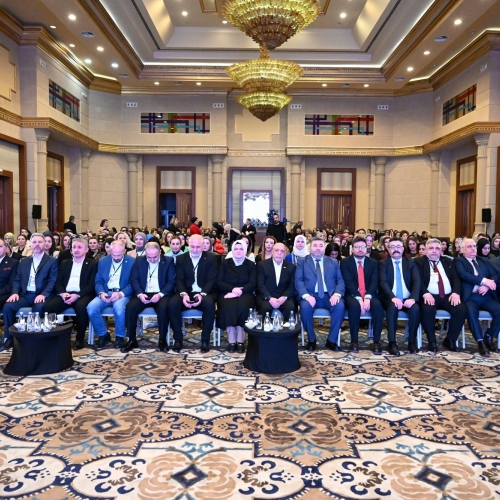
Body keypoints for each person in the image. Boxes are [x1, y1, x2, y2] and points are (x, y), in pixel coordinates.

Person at [1, 233, 58, 350]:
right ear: (30, 244)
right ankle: (9, 338)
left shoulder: (52, 261)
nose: (37, 244)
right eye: (34, 242)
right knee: (8, 307)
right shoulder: (23, 261)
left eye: (40, 242)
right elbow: (17, 280)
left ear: (44, 244)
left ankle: (36, 340)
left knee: (38, 309)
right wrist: (15, 293)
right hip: (26, 295)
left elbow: (52, 281)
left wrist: (43, 294)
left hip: (41, 295)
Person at [42, 237, 98, 349]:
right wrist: (62, 293)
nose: (76, 250)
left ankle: (79, 339)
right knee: (48, 307)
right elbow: (58, 282)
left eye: (79, 247)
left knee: (81, 308)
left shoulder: (92, 264)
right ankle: (52, 336)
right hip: (66, 294)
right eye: (74, 247)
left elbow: (91, 285)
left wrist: (77, 295)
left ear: (86, 250)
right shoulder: (65, 263)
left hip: (82, 294)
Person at [414, 238, 467, 353]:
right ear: (426, 250)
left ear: (441, 250)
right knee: (427, 310)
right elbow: (418, 280)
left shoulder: (448, 261)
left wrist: (456, 292)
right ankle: (432, 341)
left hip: (448, 296)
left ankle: (450, 340)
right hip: (429, 296)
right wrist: (425, 293)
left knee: (461, 309)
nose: (434, 251)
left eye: (437, 248)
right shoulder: (419, 262)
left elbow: (456, 279)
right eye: (431, 248)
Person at [167, 234, 218, 353]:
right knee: (173, 304)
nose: (195, 250)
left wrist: (202, 294)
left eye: (198, 247)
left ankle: (205, 340)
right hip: (186, 291)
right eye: (192, 246)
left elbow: (211, 280)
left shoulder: (211, 258)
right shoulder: (181, 259)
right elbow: (179, 280)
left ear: (203, 246)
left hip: (204, 292)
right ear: (188, 245)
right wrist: (184, 294)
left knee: (209, 304)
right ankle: (178, 338)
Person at [122, 242, 176, 352]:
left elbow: (171, 282)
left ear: (160, 252)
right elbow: (134, 280)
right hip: (143, 293)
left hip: (161, 294)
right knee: (130, 307)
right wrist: (140, 294)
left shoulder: (168, 261)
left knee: (163, 309)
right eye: (149, 257)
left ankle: (162, 340)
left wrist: (160, 294)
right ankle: (131, 339)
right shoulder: (139, 260)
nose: (152, 260)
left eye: (154, 257)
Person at [295, 236, 345, 352]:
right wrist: (306, 296)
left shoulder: (333, 262)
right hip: (310, 295)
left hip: (329, 296)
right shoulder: (302, 261)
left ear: (324, 248)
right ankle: (311, 340)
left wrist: (337, 294)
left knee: (339, 306)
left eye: (321, 246)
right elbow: (298, 281)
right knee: (305, 308)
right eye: (315, 245)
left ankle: (332, 340)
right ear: (310, 247)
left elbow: (340, 281)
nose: (318, 248)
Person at [454, 238, 500, 355]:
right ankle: (480, 341)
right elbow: (464, 275)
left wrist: (487, 286)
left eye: (474, 246)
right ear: (462, 250)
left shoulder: (483, 260)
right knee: (471, 312)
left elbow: (494, 275)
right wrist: (484, 281)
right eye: (469, 246)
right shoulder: (459, 261)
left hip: (486, 296)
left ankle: (489, 336)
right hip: (471, 297)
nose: (473, 249)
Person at [87, 241, 135, 349]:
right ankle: (103, 335)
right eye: (113, 255)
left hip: (122, 293)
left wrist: (120, 294)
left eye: (119, 255)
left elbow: (133, 283)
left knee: (119, 308)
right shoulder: (103, 261)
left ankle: (120, 337)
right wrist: (101, 293)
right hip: (106, 292)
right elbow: (98, 281)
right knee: (91, 307)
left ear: (124, 251)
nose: (116, 258)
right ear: (110, 251)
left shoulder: (132, 262)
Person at [340, 236, 384, 354]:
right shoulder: (345, 262)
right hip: (352, 294)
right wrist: (359, 298)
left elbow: (374, 281)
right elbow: (348, 282)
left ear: (367, 248)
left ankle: (376, 342)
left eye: (363, 247)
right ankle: (354, 341)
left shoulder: (373, 263)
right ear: (352, 248)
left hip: (369, 294)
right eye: (357, 247)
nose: (360, 249)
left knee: (378, 307)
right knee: (354, 307)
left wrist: (368, 297)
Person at [379, 237, 421, 355]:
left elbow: (416, 281)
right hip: (390, 297)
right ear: (388, 249)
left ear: (403, 249)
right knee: (392, 308)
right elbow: (383, 282)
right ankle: (392, 343)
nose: (396, 249)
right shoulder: (382, 264)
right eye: (392, 247)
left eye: (398, 246)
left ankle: (412, 342)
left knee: (415, 309)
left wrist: (413, 298)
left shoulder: (411, 262)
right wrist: (393, 297)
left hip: (408, 297)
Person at [216, 240, 256, 353]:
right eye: (236, 249)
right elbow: (219, 282)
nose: (238, 251)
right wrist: (232, 289)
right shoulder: (225, 263)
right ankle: (232, 340)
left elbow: (253, 283)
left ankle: (240, 340)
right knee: (228, 307)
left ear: (245, 250)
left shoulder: (251, 264)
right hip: (227, 292)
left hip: (246, 293)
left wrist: (238, 291)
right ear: (232, 250)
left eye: (241, 249)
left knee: (243, 306)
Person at [256, 242, 297, 326]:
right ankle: (263, 331)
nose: (279, 253)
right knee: (264, 308)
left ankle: (287, 332)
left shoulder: (291, 267)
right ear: (272, 252)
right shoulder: (262, 265)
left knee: (290, 307)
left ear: (285, 254)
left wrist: (284, 297)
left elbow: (292, 285)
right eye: (276, 250)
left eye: (282, 251)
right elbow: (260, 284)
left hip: (284, 298)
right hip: (267, 297)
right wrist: (270, 298)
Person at [0, 238, 19, 345]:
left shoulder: (13, 263)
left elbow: (11, 284)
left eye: (0, 246)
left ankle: (7, 338)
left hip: (5, 294)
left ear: (6, 248)